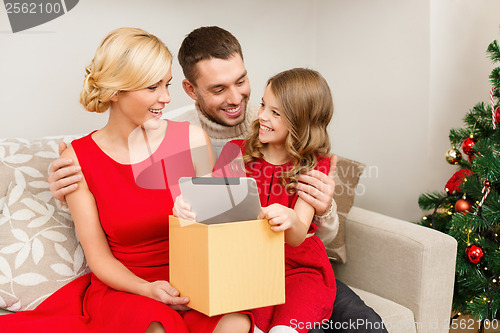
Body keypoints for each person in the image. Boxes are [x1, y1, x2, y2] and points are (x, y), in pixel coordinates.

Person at [48, 26, 387, 333]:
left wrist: (325, 209)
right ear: (192, 90)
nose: (237, 99)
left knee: (364, 325)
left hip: (281, 266)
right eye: (218, 88)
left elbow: (236, 222)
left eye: (241, 82)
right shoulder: (89, 156)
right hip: (156, 282)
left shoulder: (275, 116)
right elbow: (217, 217)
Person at [0, 27, 253, 333]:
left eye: (167, 84)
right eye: (152, 87)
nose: (166, 97)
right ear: (116, 91)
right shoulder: (77, 159)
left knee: (237, 323)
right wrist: (147, 289)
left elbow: (216, 230)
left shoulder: (191, 139)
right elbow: (99, 258)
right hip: (128, 289)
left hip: (194, 283)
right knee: (158, 328)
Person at [175, 68, 337, 333]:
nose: (261, 115)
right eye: (263, 105)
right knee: (251, 324)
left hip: (298, 268)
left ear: (301, 122)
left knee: (286, 328)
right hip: (248, 262)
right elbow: (214, 206)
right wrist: (185, 206)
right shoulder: (238, 151)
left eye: (275, 112)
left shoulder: (314, 165)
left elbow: (297, 236)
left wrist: (290, 218)